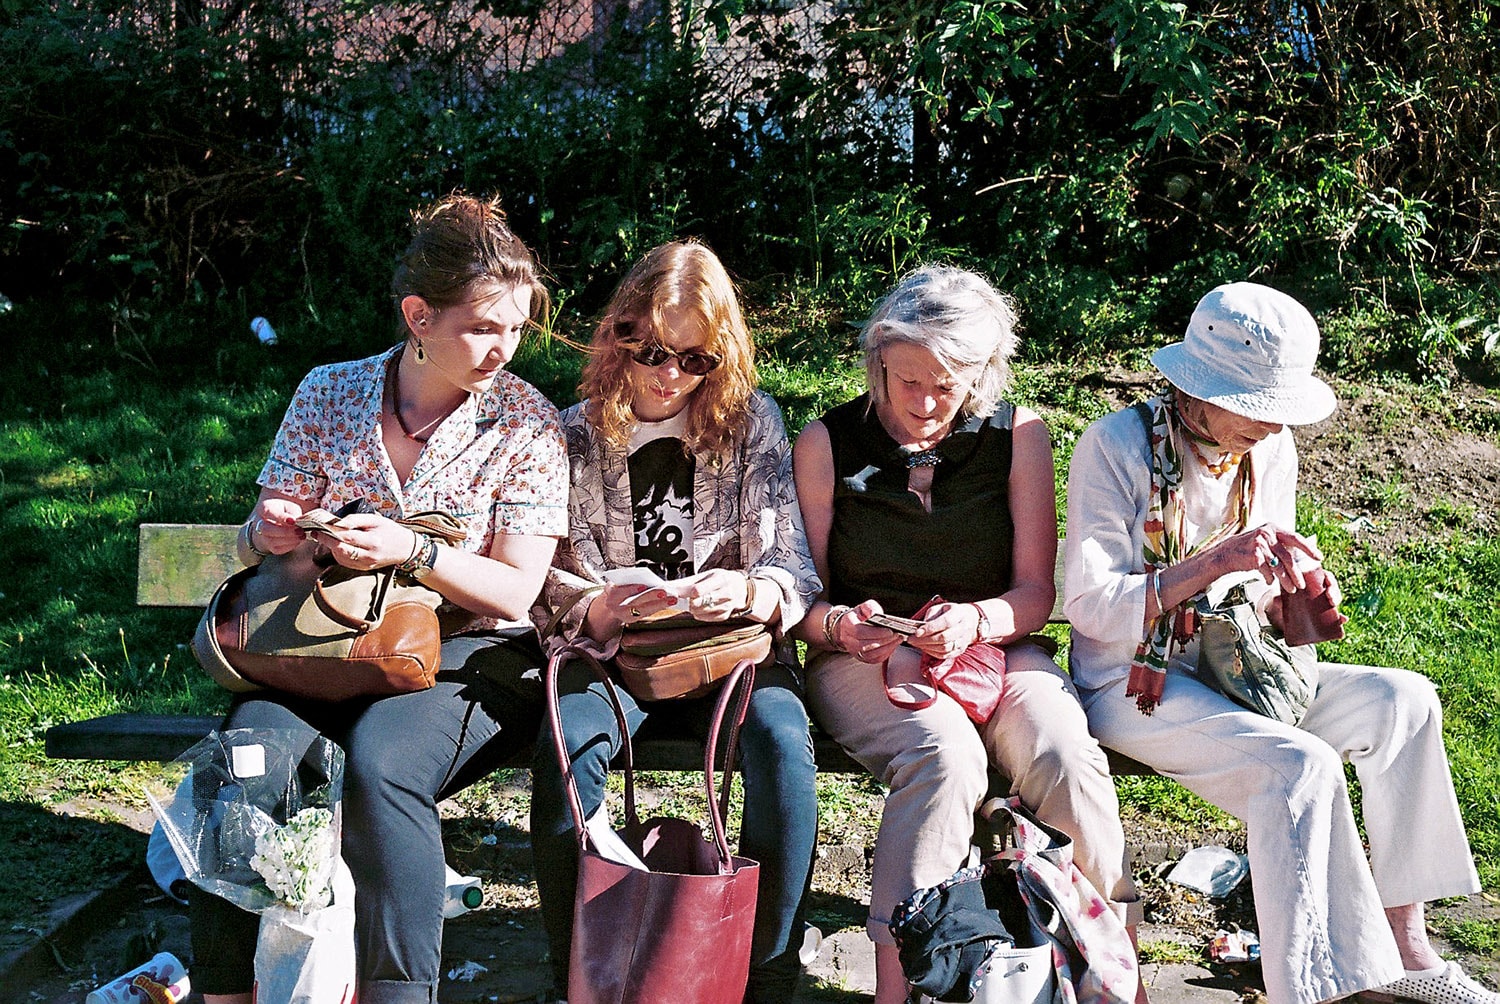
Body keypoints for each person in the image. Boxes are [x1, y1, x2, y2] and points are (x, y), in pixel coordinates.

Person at [1063, 282, 1498, 1004]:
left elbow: (1258, 591)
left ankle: (1407, 950)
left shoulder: (1268, 447)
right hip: (1133, 683)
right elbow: (1090, 607)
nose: (1271, 424)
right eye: (1256, 406)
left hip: (1239, 667)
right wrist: (1214, 562)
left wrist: (1297, 593)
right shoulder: (1116, 446)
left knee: (1405, 700)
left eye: (1279, 408)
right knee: (1300, 766)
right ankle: (1316, 988)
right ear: (1199, 388)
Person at [190, 193, 569, 1004]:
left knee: (381, 767)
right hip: (325, 643)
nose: (503, 348)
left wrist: (415, 551)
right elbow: (255, 544)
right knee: (248, 765)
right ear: (418, 316)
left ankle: (397, 994)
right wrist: (269, 529)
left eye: (515, 328)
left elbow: (516, 592)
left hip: (468, 652)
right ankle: (225, 993)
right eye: (483, 327)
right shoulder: (330, 392)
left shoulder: (528, 422)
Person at [792, 265, 1144, 1004]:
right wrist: (842, 626)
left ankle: (1110, 973)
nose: (924, 403)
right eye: (907, 381)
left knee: (1066, 754)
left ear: (982, 373)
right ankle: (904, 983)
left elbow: (1035, 595)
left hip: (996, 645)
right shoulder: (826, 442)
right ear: (877, 360)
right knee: (945, 757)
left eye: (946, 386)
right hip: (867, 655)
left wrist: (977, 619)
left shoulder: (1017, 436)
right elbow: (804, 601)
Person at [529, 240, 822, 1003]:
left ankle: (767, 977)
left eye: (695, 360)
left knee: (782, 745)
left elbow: (791, 568)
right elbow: (544, 580)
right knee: (565, 749)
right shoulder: (572, 433)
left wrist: (749, 590)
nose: (671, 376)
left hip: (725, 651)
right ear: (620, 337)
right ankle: (578, 973)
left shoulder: (750, 422)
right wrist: (598, 605)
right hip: (616, 656)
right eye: (655, 352)